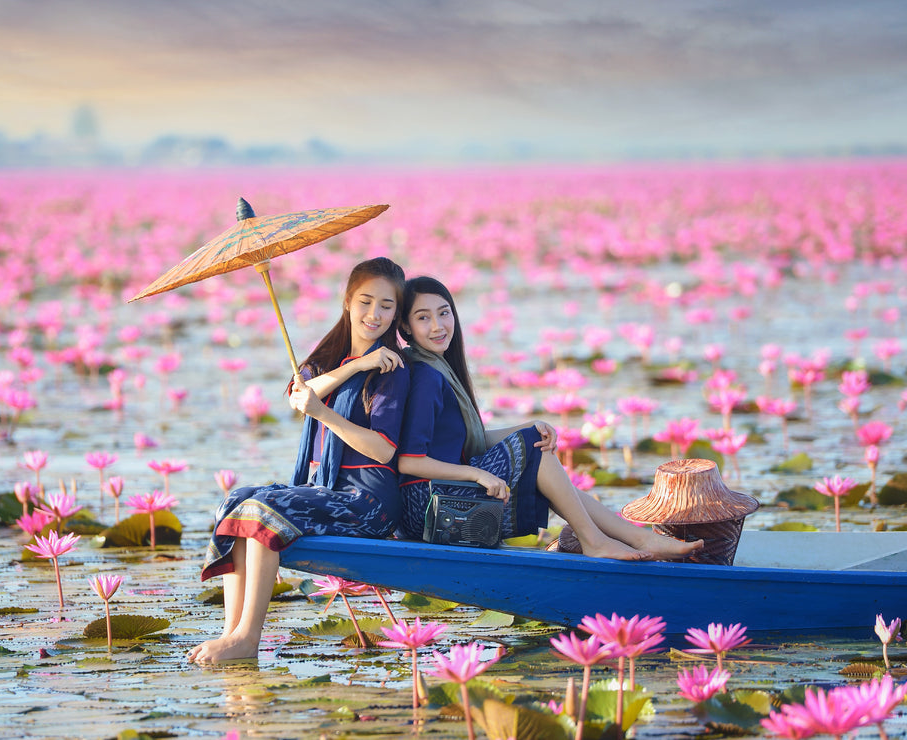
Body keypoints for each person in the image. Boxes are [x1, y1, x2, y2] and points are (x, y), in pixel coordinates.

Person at [187, 257, 410, 665]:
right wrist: (357, 364)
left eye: (386, 305)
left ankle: (248, 638)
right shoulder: (328, 359)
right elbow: (298, 395)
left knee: (265, 511)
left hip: (369, 504)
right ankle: (231, 633)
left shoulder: (392, 367)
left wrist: (326, 411)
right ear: (346, 301)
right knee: (237, 500)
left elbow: (383, 450)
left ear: (397, 312)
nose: (374, 314)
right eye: (365, 302)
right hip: (324, 491)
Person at [395, 275, 704, 561]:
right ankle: (596, 541)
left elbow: (465, 439)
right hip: (428, 505)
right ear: (406, 327)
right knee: (534, 450)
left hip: (441, 494)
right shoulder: (425, 377)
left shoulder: (436, 368)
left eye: (444, 312)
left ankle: (638, 539)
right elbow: (409, 461)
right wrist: (478, 475)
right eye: (423, 317)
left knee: (542, 457)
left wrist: (526, 427)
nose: (437, 325)